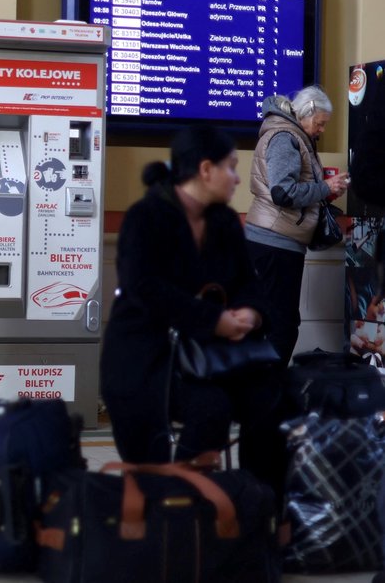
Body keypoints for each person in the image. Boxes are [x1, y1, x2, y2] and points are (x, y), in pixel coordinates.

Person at [100, 126, 288, 501]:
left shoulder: (222, 222)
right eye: (231, 167)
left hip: (210, 354)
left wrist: (251, 313)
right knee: (210, 409)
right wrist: (212, 319)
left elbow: (249, 283)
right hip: (149, 355)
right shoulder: (146, 216)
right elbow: (145, 289)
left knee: (275, 397)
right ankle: (175, 504)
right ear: (205, 170)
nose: (237, 178)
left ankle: (260, 505)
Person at [245, 86, 350, 365]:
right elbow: (284, 193)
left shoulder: (288, 134)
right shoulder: (285, 137)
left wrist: (323, 191)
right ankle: (267, 398)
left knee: (272, 323)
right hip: (274, 244)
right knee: (282, 327)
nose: (322, 130)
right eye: (320, 123)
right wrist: (324, 187)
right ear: (305, 114)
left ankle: (260, 397)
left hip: (274, 242)